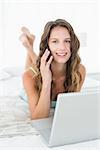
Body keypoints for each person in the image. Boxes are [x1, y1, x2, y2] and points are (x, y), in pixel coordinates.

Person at [19, 19, 86, 120]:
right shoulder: (28, 76)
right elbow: (38, 118)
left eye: (67, 41)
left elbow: (72, 105)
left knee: (39, 62)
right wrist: (46, 81)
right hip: (32, 83)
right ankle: (29, 47)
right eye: (55, 41)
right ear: (47, 45)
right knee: (35, 67)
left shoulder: (79, 70)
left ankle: (29, 45)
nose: (62, 47)